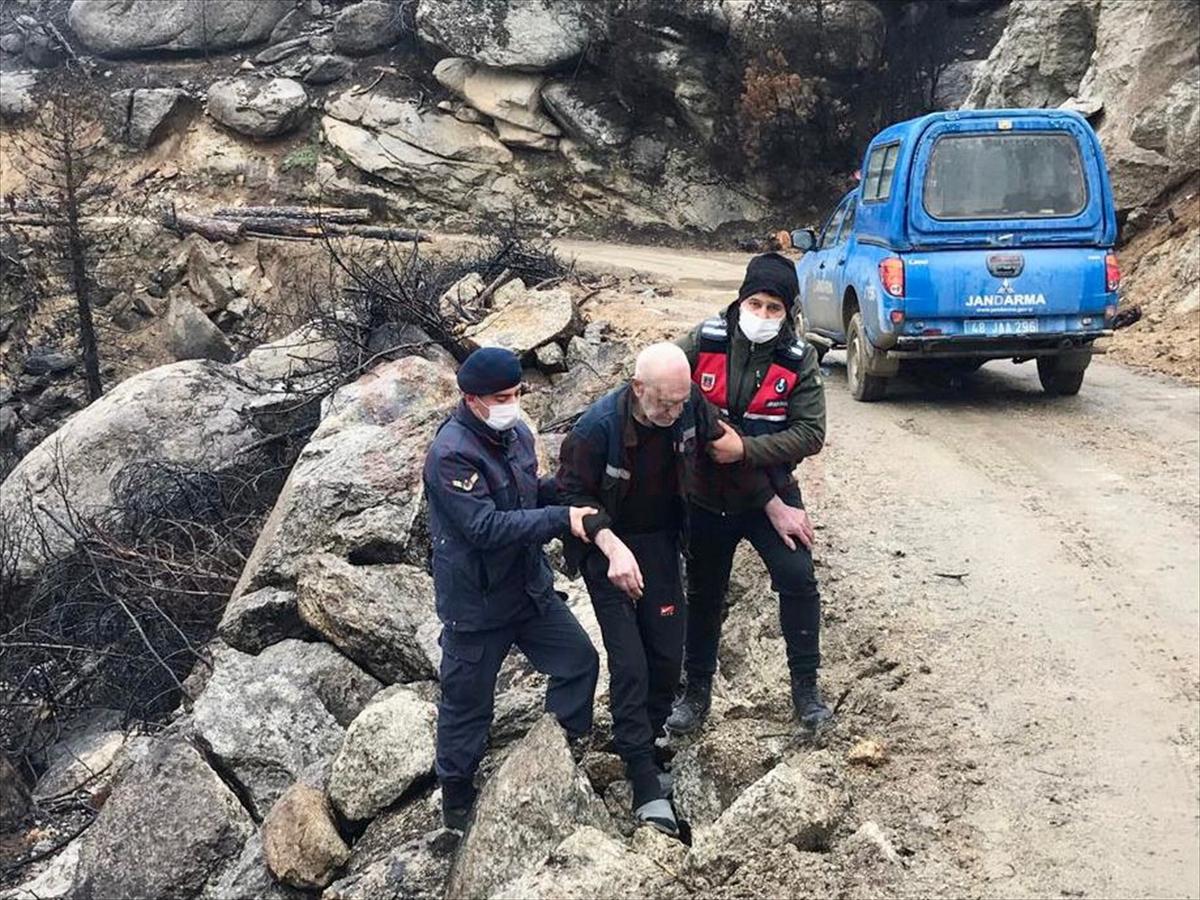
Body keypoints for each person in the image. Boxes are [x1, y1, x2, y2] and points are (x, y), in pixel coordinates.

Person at [556, 343, 777, 836]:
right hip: (608, 546)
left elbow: (726, 450)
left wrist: (774, 503)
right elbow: (570, 497)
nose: (676, 413)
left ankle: (646, 737)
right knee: (630, 663)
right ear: (638, 389)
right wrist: (610, 546)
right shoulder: (595, 431)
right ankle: (642, 780)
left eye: (682, 402)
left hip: (660, 542)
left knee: (665, 655)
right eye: (665, 404)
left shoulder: (688, 406)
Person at [423, 347, 600, 831]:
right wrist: (561, 519)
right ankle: (456, 799)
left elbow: (526, 492)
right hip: (475, 603)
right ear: (471, 398)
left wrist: (569, 492)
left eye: (517, 393)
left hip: (527, 587)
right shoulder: (450, 453)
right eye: (500, 397)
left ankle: (556, 751)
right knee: (466, 705)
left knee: (579, 661)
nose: (512, 403)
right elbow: (483, 526)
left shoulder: (516, 433)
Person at [668, 252, 832, 735]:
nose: (761, 316)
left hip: (773, 491)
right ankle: (695, 693)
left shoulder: (800, 360)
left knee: (798, 576)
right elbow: (664, 389)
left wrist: (746, 448)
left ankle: (806, 690)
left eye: (773, 308)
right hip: (704, 493)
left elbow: (810, 433)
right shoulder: (703, 342)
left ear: (789, 313)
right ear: (740, 300)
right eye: (755, 303)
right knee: (703, 592)